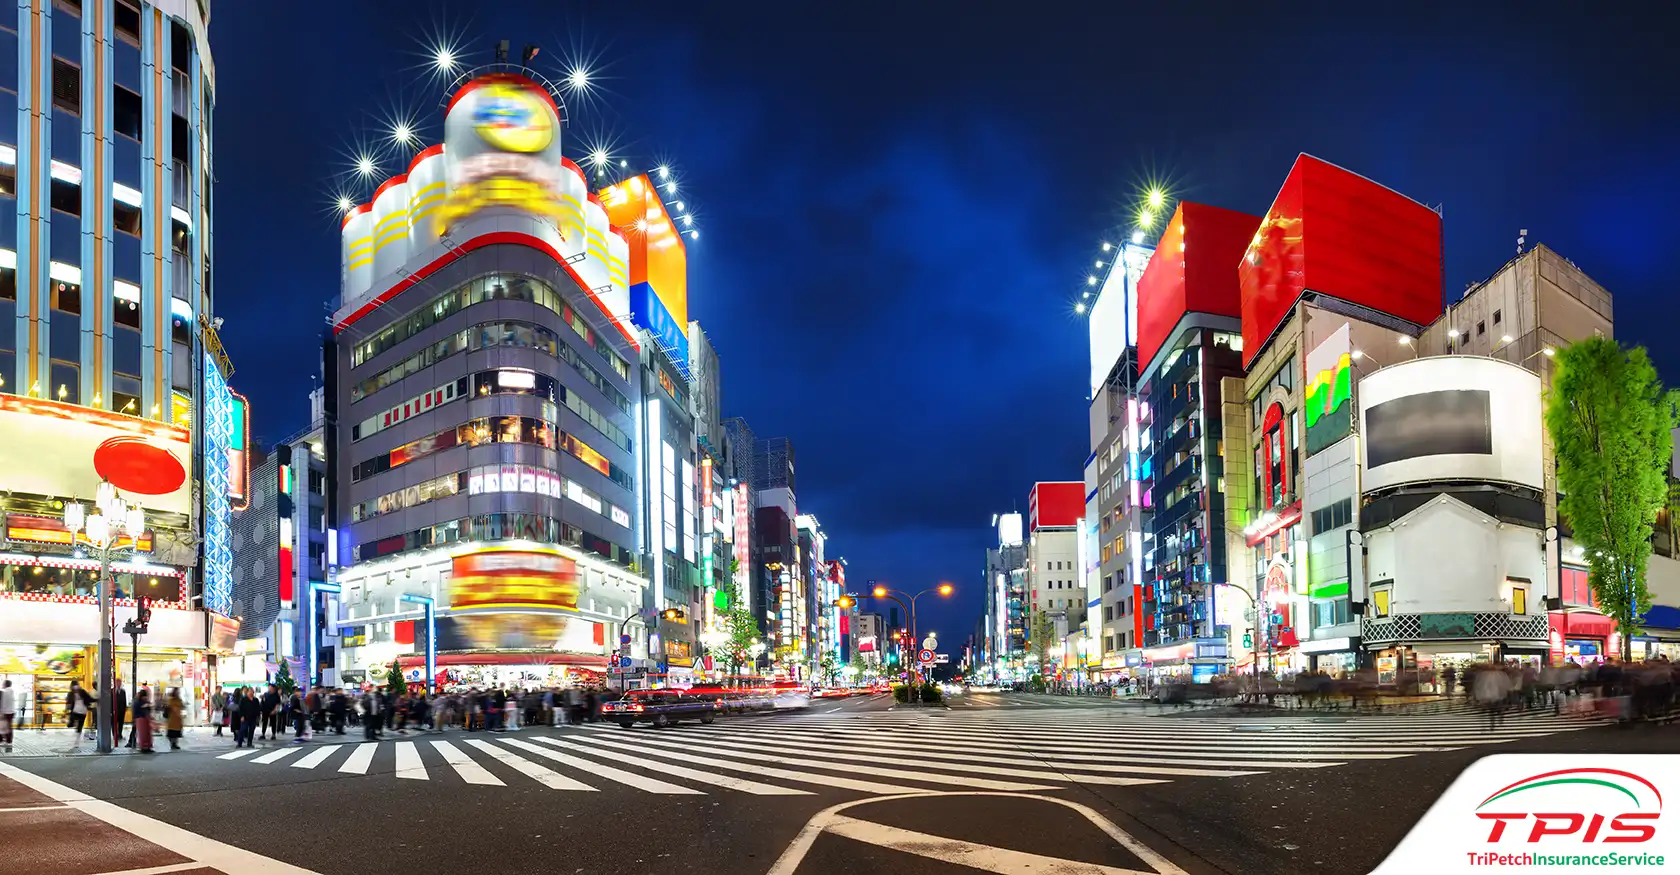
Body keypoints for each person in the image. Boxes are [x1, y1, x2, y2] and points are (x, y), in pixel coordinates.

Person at [65, 681, 92, 751]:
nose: (76, 688)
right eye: (74, 686)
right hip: (77, 712)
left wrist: (97, 700)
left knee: (79, 727)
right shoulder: (71, 693)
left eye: (76, 686)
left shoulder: (82, 692)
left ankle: (76, 741)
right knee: (73, 725)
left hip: (81, 712)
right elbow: (68, 702)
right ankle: (76, 739)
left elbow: (89, 698)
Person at [132, 688, 155, 753]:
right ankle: (143, 747)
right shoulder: (138, 702)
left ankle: (148, 747)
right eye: (145, 696)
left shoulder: (145, 701)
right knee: (143, 734)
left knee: (147, 734)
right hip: (140, 719)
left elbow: (149, 708)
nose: (146, 697)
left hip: (146, 719)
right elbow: (136, 711)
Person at [0, 679, 16, 753]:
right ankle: (8, 741)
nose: (2, 685)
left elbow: (4, 703)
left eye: (3, 683)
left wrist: (2, 712)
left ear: (5, 684)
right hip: (11, 711)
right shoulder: (12, 691)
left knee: (5, 727)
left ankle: (7, 741)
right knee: (9, 726)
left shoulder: (5, 692)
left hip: (6, 712)